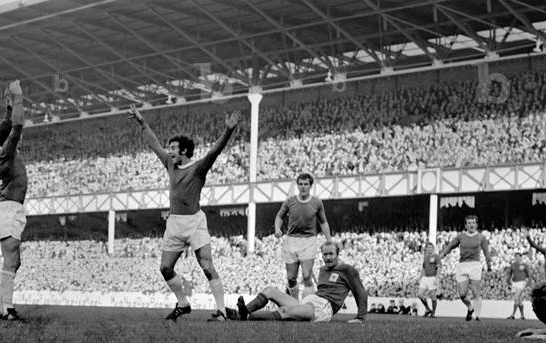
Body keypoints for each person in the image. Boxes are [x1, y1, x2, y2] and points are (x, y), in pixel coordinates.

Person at [128, 104, 242, 321]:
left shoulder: (198, 168)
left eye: (172, 148)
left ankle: (221, 312)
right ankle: (183, 303)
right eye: (169, 148)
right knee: (165, 268)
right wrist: (141, 122)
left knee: (207, 266)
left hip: (195, 222)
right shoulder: (170, 165)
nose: (168, 151)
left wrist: (228, 130)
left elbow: (214, 152)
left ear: (184, 151)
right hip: (175, 223)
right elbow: (153, 144)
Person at [230, 242, 367, 323]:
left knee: (284, 311)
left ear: (338, 254)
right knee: (270, 290)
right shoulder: (323, 270)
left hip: (324, 308)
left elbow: (360, 291)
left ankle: (249, 317)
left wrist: (360, 317)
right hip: (310, 301)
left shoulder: (347, 270)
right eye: (325, 254)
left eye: (331, 254)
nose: (328, 257)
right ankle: (242, 313)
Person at [0, 80, 28, 321]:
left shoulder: (5, 151)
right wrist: (18, 98)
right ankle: (8, 309)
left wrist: (7, 106)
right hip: (7, 210)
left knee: (15, 261)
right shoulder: (7, 151)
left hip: (11, 209)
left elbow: (8, 126)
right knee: (11, 259)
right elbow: (17, 125)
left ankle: (0, 308)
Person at [274, 173, 331, 299]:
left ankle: (308, 304)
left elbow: (323, 222)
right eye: (300, 184)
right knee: (291, 278)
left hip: (309, 240)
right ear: (297, 185)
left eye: (306, 184)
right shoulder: (290, 201)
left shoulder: (317, 202)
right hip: (291, 240)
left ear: (310, 186)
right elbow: (279, 216)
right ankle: (295, 304)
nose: (303, 187)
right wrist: (277, 228)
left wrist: (329, 241)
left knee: (306, 275)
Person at [439, 215, 492, 321]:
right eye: (469, 223)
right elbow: (450, 246)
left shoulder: (481, 237)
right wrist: (442, 254)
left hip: (475, 265)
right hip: (462, 265)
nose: (471, 224)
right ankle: (470, 308)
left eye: (473, 222)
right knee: (462, 294)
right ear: (465, 225)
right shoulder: (461, 236)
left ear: (476, 225)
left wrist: (489, 265)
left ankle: (477, 315)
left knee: (476, 291)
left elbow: (486, 252)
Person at [505, 252, 534, 319]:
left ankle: (513, 315)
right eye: (516, 256)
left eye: (518, 256)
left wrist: (528, 283)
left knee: (516, 298)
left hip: (522, 282)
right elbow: (509, 273)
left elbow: (529, 274)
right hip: (514, 283)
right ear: (515, 257)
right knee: (520, 301)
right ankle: (522, 316)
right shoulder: (512, 265)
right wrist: (508, 281)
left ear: (521, 257)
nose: (517, 258)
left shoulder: (524, 265)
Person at [417, 242, 440, 317]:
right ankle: (427, 309)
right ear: (426, 249)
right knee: (420, 294)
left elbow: (438, 267)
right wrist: (420, 277)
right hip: (425, 278)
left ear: (433, 248)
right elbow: (423, 267)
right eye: (428, 247)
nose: (429, 249)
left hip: (432, 277)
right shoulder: (425, 257)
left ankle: (433, 312)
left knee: (433, 296)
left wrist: (437, 277)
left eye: (431, 247)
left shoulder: (436, 256)